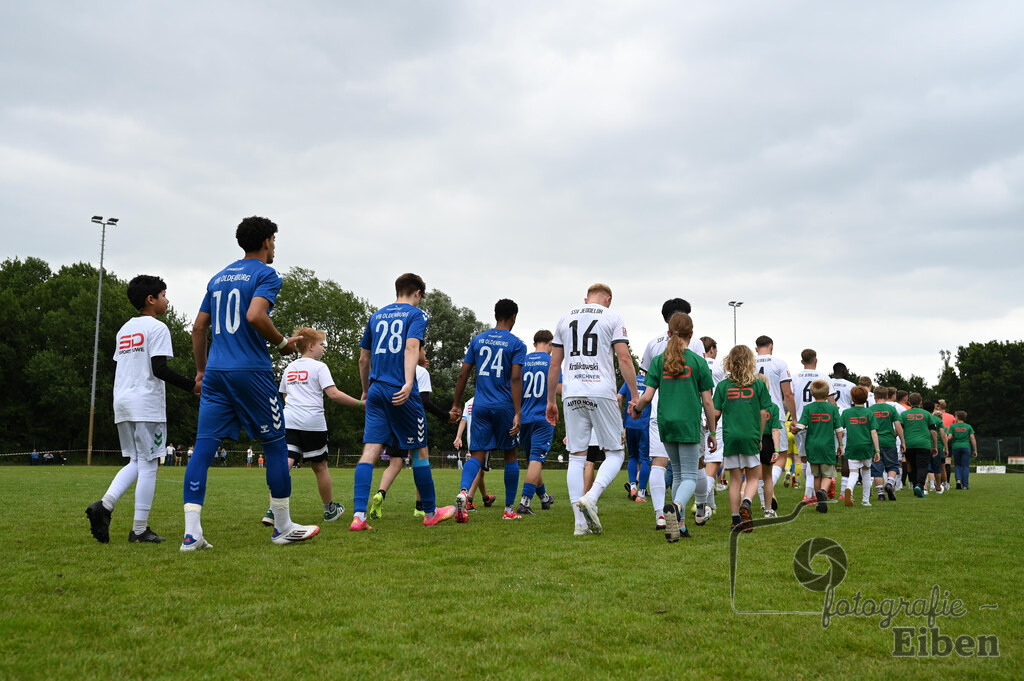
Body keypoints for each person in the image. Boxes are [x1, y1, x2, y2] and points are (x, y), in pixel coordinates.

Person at [182, 216, 319, 550]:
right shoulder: (266, 274)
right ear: (267, 241)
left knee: (203, 448)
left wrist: (201, 372)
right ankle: (282, 527)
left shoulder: (218, 278)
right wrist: (284, 343)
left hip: (216, 372)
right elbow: (256, 315)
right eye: (275, 240)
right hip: (251, 372)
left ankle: (191, 534)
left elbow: (198, 328)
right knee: (274, 445)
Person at [86, 275, 198, 545]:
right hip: (146, 404)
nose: (167, 300)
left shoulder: (124, 330)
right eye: (164, 295)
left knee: (136, 461)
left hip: (123, 401)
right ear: (151, 300)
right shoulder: (157, 328)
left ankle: (105, 506)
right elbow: (158, 369)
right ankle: (139, 529)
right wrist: (192, 386)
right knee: (148, 466)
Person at [350, 274, 456, 530]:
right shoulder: (416, 315)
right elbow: (411, 348)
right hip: (400, 391)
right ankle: (430, 512)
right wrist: (409, 383)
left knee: (370, 452)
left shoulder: (376, 316)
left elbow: (364, 359)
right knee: (420, 450)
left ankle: (358, 517)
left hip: (376, 389)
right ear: (417, 293)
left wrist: (366, 391)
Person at [547, 283, 639, 536]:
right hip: (602, 390)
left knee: (576, 457)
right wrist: (635, 395)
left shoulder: (565, 317)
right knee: (615, 453)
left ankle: (579, 524)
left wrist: (550, 400)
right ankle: (592, 497)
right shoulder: (611, 316)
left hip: (572, 391)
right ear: (608, 299)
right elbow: (624, 358)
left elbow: (555, 364)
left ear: (586, 299)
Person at [629, 313, 715, 542]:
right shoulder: (698, 362)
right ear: (692, 335)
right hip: (688, 424)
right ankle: (677, 508)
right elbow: (707, 401)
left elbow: (647, 397)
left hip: (666, 422)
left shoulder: (659, 362)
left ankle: (680, 525)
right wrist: (713, 431)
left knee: (677, 473)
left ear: (668, 333)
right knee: (689, 475)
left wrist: (636, 409)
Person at [270, 327, 361, 525]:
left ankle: (272, 509)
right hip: (313, 423)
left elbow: (285, 396)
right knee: (320, 467)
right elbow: (334, 394)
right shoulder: (320, 367)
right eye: (321, 344)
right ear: (311, 346)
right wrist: (360, 404)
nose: (323, 349)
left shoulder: (289, 368)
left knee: (286, 463)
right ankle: (329, 510)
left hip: (289, 420)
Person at [449, 299, 527, 521]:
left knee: (477, 455)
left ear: (495, 315)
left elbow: (463, 374)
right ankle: (509, 510)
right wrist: (518, 412)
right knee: (511, 454)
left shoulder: (478, 340)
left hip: (480, 406)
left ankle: (464, 492)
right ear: (513, 317)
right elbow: (515, 378)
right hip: (504, 406)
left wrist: (456, 404)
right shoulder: (517, 344)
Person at [368, 344, 452, 520]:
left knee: (395, 464)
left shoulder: (392, 368)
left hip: (392, 420)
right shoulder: (421, 372)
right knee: (420, 459)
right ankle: (421, 507)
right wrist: (446, 416)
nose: (426, 354)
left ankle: (380, 494)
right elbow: (424, 401)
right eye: (424, 350)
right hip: (411, 419)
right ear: (416, 350)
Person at [713, 345, 770, 531]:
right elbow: (763, 414)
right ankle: (747, 502)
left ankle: (736, 519)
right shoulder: (759, 385)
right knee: (753, 477)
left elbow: (715, 414)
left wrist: (712, 433)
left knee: (735, 480)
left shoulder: (722, 386)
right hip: (751, 435)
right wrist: (760, 436)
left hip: (731, 437)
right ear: (750, 361)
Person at [517, 330, 558, 515]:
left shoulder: (523, 360)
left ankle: (544, 498)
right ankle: (525, 502)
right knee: (536, 460)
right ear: (550, 343)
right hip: (543, 417)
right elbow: (559, 388)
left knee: (534, 460)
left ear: (535, 343)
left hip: (524, 417)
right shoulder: (551, 362)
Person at [753, 336, 796, 506]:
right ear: (771, 346)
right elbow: (788, 394)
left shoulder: (750, 362)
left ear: (756, 348)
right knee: (781, 454)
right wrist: (794, 418)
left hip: (753, 413)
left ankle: (763, 496)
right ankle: (767, 489)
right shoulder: (779, 363)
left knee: (756, 457)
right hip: (774, 412)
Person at [791, 380, 844, 513]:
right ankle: (822, 491)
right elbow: (838, 429)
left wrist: (794, 430)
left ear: (812, 393)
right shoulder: (832, 408)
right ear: (827, 393)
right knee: (827, 474)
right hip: (827, 446)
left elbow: (801, 426)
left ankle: (819, 501)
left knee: (816, 475)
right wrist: (841, 445)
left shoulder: (808, 408)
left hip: (812, 446)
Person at [790, 349, 833, 504]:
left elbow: (788, 398)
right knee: (816, 460)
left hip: (802, 421)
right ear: (816, 360)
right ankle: (811, 494)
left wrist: (794, 419)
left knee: (805, 459)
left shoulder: (794, 377)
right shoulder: (824, 377)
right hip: (821, 421)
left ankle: (809, 494)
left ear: (802, 361)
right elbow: (831, 401)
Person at [696, 336, 726, 525]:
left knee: (701, 460)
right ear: (712, 349)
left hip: (696, 413)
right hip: (715, 413)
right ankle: (700, 500)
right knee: (714, 460)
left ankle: (710, 504)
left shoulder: (695, 362)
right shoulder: (720, 368)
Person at [839, 387, 880, 507]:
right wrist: (877, 450)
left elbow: (840, 430)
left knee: (853, 472)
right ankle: (865, 500)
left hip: (852, 446)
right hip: (866, 447)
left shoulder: (846, 413)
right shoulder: (869, 413)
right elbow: (874, 432)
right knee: (866, 472)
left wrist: (840, 444)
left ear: (852, 398)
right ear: (866, 398)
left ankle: (849, 490)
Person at [618, 370, 651, 504]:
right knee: (645, 460)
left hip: (630, 423)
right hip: (644, 424)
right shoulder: (651, 383)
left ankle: (632, 488)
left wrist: (621, 418)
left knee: (632, 457)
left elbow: (619, 397)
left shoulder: (630, 380)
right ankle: (642, 492)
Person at [754, 374, 785, 517]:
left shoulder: (750, 405)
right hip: (767, 441)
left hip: (752, 439)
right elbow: (775, 430)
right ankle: (767, 509)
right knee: (767, 477)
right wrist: (777, 450)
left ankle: (743, 503)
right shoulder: (773, 406)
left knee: (748, 477)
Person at [897, 393, 938, 498]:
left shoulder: (904, 414)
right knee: (922, 466)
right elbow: (933, 431)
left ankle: (916, 488)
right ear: (921, 402)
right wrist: (935, 446)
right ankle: (919, 485)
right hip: (924, 444)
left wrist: (897, 440)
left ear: (909, 402)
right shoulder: (927, 414)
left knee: (913, 467)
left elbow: (898, 429)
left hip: (909, 444)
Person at [870, 387, 905, 501]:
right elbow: (898, 426)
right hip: (889, 441)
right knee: (893, 465)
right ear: (886, 396)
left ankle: (880, 494)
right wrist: (903, 441)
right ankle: (890, 484)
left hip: (875, 443)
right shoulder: (891, 409)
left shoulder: (870, 410)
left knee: (877, 469)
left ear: (874, 396)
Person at [948, 411, 978, 490]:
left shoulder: (953, 426)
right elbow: (972, 438)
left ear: (957, 417)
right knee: (965, 466)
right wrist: (975, 450)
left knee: (957, 465)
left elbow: (949, 437)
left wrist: (945, 445)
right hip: (966, 447)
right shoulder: (968, 427)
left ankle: (958, 480)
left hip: (956, 447)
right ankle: (965, 485)